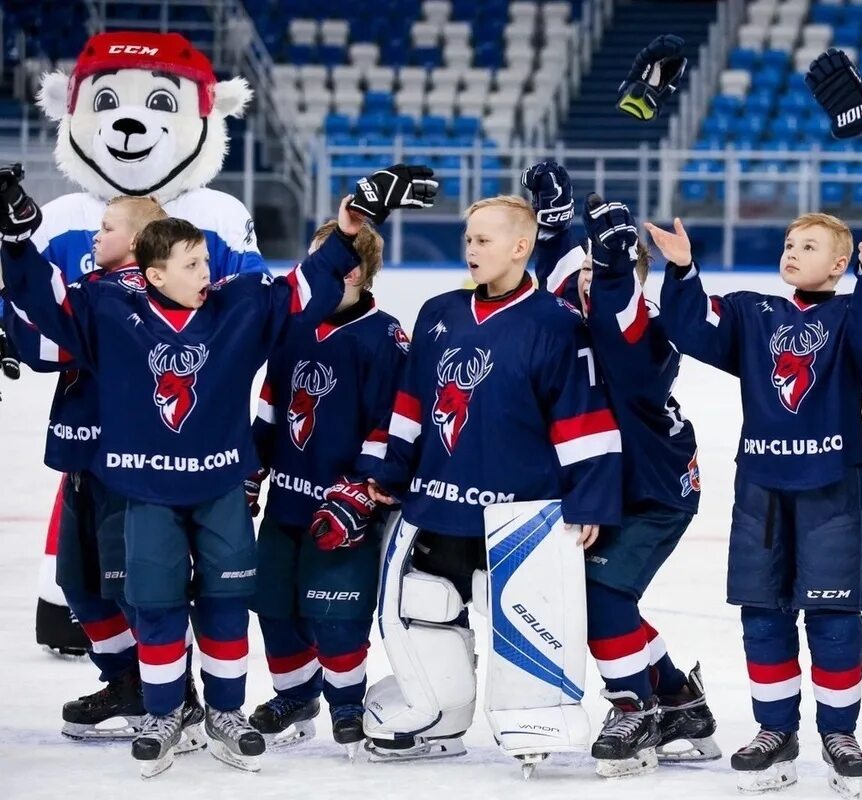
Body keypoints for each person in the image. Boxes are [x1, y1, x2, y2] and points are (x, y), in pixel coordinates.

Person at [0, 162, 432, 775]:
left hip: (221, 487)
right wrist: (17, 239)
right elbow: (44, 299)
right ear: (153, 274)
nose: (207, 274)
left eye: (206, 261)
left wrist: (349, 227)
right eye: (192, 265)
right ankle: (164, 712)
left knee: (227, 602)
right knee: (156, 605)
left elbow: (303, 288)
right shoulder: (107, 305)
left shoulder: (238, 305)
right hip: (145, 489)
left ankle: (225, 712)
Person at [322, 194, 623, 758]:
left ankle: (533, 718)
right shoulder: (440, 312)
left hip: (519, 516)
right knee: (426, 607)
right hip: (437, 506)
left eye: (483, 240)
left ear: (521, 246)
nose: (471, 249)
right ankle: (441, 714)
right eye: (468, 240)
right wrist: (390, 469)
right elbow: (411, 403)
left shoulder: (558, 324)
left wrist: (590, 499)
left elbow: (582, 417)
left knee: (526, 619)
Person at [651, 211, 862, 794]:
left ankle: (839, 732)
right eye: (790, 243)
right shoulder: (752, 312)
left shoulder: (851, 314)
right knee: (762, 613)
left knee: (834, 617)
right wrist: (683, 268)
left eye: (809, 246)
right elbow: (690, 328)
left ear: (839, 264)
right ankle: (775, 729)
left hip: (833, 486)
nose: (792, 252)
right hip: (761, 488)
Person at [524, 161, 718, 777]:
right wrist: (553, 220)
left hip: (653, 491)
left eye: (602, 271)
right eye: (587, 269)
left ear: (632, 279)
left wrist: (610, 267)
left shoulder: (651, 327)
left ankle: (635, 707)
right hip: (602, 484)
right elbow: (559, 269)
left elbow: (618, 328)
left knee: (602, 596)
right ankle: (680, 698)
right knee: (600, 599)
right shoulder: (582, 294)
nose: (587, 279)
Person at [244, 219, 406, 756]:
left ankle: (346, 702)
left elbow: (394, 422)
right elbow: (271, 407)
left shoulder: (383, 338)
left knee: (335, 613)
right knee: (273, 604)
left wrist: (361, 487)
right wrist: (251, 467)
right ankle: (295, 696)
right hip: (286, 503)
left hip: (344, 510)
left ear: (352, 272)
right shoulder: (292, 327)